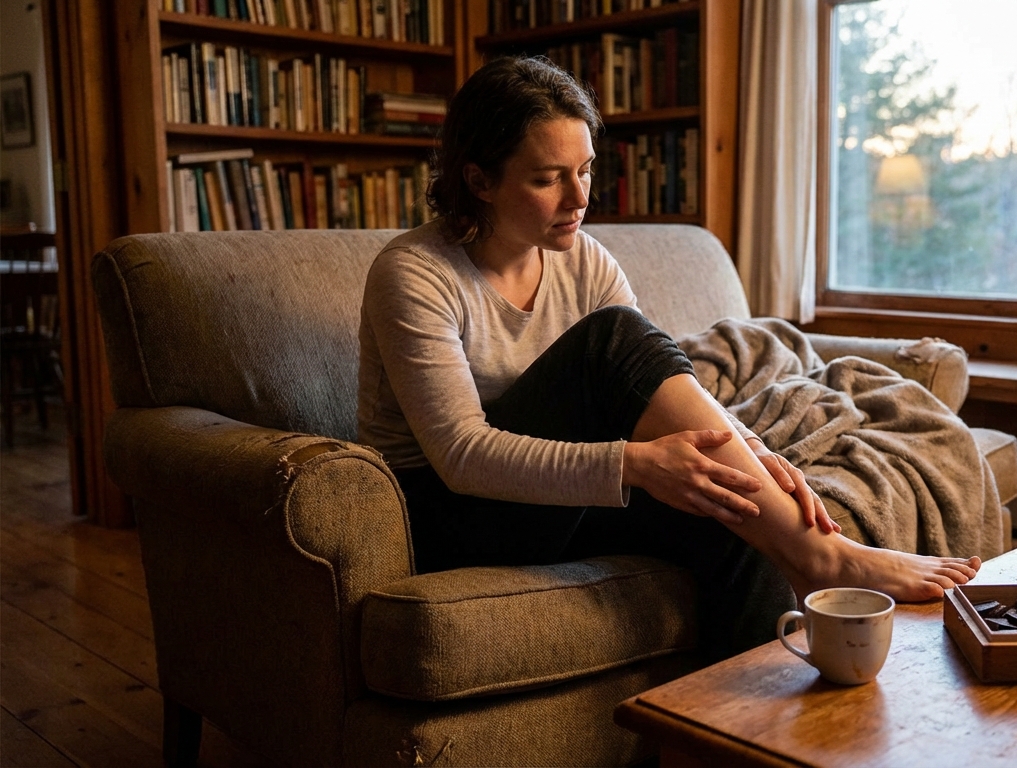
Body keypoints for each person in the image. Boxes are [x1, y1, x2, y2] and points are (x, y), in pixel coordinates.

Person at [357, 56, 980, 659]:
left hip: (555, 504)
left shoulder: (584, 259)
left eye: (586, 170)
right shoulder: (415, 274)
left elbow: (658, 380)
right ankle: (825, 558)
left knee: (730, 500)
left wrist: (753, 457)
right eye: (548, 179)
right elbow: (462, 456)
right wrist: (636, 464)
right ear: (479, 181)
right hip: (452, 517)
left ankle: (748, 716)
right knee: (611, 339)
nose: (579, 197)